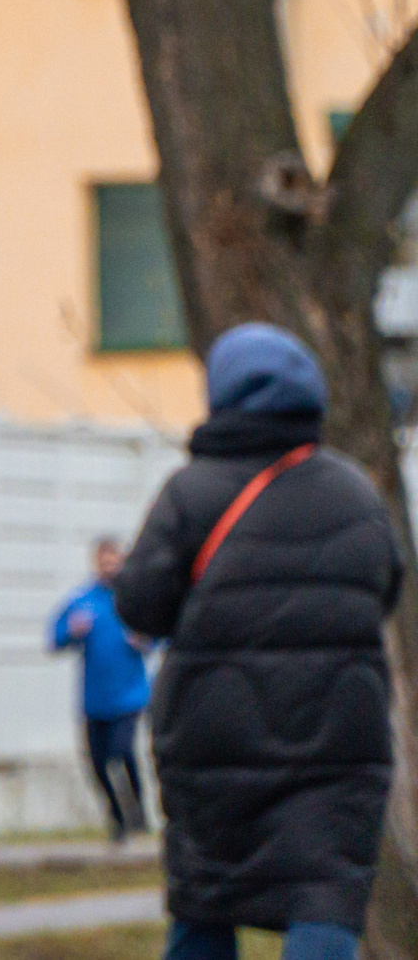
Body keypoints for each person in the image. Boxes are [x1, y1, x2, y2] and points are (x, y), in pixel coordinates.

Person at [117, 324, 404, 960]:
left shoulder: (191, 493)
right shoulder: (356, 492)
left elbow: (140, 605)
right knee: (325, 896)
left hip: (215, 739)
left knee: (204, 902)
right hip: (337, 741)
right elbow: (385, 587)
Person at [50, 536, 152, 842]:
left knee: (121, 752)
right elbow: (54, 638)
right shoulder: (82, 601)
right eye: (103, 561)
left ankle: (138, 809)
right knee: (97, 763)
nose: (109, 566)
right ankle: (117, 817)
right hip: (94, 699)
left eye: (114, 560)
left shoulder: (133, 599)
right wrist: (71, 631)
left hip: (129, 695)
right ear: (96, 563)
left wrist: (143, 640)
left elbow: (158, 632)